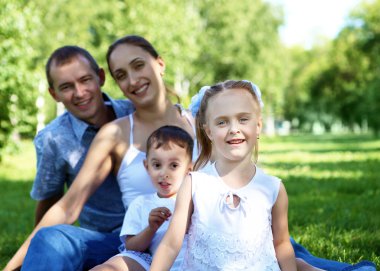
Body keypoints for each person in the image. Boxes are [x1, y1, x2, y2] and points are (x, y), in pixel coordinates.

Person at [4, 35, 196, 271]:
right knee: (51, 239)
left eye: (138, 65)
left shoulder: (200, 122)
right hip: (137, 245)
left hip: (201, 239)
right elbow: (66, 205)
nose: (133, 80)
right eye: (122, 75)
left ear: (160, 64)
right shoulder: (114, 132)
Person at [9, 45, 135, 270]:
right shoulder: (53, 138)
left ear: (101, 77)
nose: (79, 92)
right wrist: (39, 250)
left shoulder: (134, 113)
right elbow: (50, 202)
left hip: (151, 231)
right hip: (101, 240)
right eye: (66, 87)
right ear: (54, 94)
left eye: (85, 80)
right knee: (50, 240)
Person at [150, 79, 297, 270]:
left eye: (243, 119)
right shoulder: (195, 184)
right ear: (209, 131)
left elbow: (282, 244)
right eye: (222, 122)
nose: (234, 129)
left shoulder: (273, 188)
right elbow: (171, 244)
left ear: (258, 125)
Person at [91, 125, 193, 271]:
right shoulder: (141, 204)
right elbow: (132, 246)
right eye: (157, 165)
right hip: (152, 262)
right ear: (146, 166)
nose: (164, 173)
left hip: (190, 262)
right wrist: (151, 228)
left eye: (174, 165)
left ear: (189, 169)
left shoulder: (195, 199)